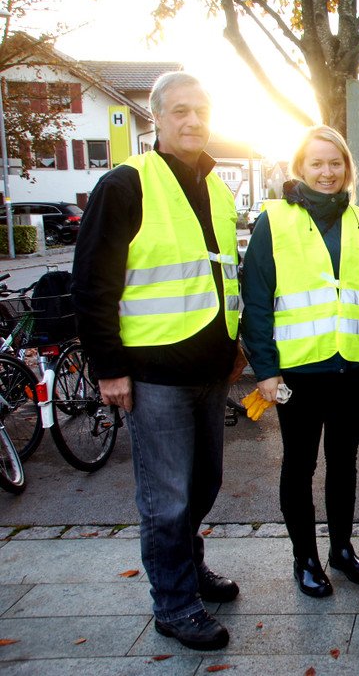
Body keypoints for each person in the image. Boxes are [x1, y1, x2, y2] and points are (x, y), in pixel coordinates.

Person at [71, 72, 245, 650]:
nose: (193, 121)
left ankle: (188, 566)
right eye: (180, 112)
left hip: (211, 368)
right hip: (153, 374)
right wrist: (109, 368)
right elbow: (94, 283)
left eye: (201, 110)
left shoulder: (216, 188)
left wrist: (235, 342)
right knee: (165, 496)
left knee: (203, 483)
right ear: (157, 120)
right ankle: (174, 604)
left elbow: (221, 277)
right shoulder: (125, 185)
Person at [240, 125, 359, 597]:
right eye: (317, 163)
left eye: (336, 163)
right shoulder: (274, 220)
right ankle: (305, 559)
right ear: (300, 168)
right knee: (299, 466)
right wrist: (265, 370)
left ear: (347, 168)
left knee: (344, 462)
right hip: (296, 371)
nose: (327, 172)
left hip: (353, 365)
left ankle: (341, 550)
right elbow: (256, 302)